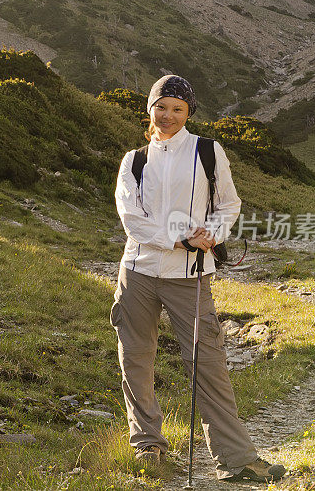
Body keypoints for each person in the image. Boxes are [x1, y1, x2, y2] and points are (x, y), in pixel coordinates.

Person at [109, 75, 286, 483]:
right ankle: (147, 446)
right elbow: (132, 221)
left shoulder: (208, 151)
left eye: (177, 109)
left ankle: (236, 458)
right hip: (136, 273)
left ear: (188, 113)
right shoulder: (133, 161)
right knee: (135, 359)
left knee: (207, 363)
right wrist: (181, 238)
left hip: (190, 278)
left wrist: (213, 233)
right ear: (150, 109)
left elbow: (228, 203)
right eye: (161, 106)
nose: (167, 115)